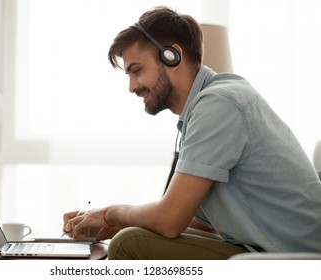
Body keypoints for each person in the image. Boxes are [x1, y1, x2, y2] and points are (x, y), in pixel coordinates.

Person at [63, 6, 321, 259]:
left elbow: (169, 221)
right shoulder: (209, 104)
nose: (131, 87)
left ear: (172, 56)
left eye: (136, 70)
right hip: (273, 248)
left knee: (129, 243)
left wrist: (111, 213)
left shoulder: (218, 105)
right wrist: (104, 224)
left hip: (297, 259)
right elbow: (198, 222)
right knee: (129, 233)